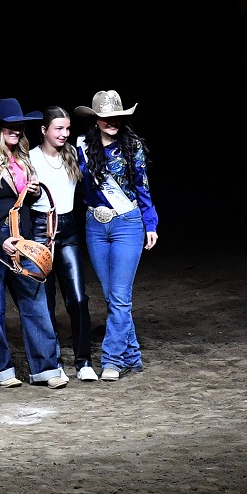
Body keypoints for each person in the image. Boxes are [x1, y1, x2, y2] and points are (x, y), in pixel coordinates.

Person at [0, 98, 68, 390]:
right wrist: (1, 240)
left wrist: (34, 194)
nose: (16, 129)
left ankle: (45, 368)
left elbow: (22, 202)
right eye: (10, 125)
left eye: (19, 125)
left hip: (21, 237)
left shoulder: (23, 159)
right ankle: (1, 369)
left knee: (35, 302)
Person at [74, 90, 158, 382]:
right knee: (112, 297)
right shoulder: (81, 147)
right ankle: (132, 354)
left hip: (127, 223)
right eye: (106, 118)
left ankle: (112, 360)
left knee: (120, 297)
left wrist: (151, 224)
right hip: (95, 225)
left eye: (117, 118)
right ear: (96, 119)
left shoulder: (132, 146)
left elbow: (143, 187)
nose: (112, 122)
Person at [29, 106, 95, 382]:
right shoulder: (30, 158)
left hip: (68, 230)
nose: (64, 134)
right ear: (44, 130)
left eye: (67, 128)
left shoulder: (72, 154)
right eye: (58, 128)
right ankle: (52, 362)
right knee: (46, 301)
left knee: (78, 298)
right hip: (40, 229)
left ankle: (84, 361)